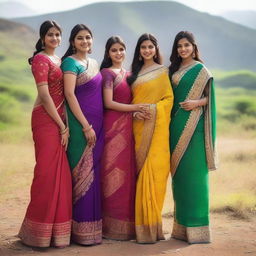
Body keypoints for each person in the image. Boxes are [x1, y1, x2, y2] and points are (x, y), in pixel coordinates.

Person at [18, 20, 72, 248]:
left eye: (58, 34)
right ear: (42, 38)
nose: (55, 38)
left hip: (60, 119)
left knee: (61, 176)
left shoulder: (59, 60)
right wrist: (62, 126)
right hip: (46, 119)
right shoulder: (40, 59)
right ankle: (37, 233)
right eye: (50, 34)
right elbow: (46, 95)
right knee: (47, 174)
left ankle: (56, 233)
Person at [169, 31, 217, 244]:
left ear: (193, 46)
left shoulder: (201, 70)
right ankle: (181, 229)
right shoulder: (174, 69)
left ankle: (199, 228)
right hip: (175, 127)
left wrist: (196, 103)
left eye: (186, 45)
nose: (183, 49)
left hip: (195, 128)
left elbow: (211, 99)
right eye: (179, 46)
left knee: (195, 176)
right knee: (180, 178)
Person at [100, 36, 148, 240]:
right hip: (112, 128)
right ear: (108, 53)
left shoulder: (129, 74)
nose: (118, 53)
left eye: (121, 49)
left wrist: (136, 112)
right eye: (114, 50)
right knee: (111, 172)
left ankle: (125, 225)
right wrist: (135, 108)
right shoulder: (107, 73)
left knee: (127, 174)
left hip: (128, 129)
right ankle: (108, 225)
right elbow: (108, 102)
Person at [127, 33, 174, 243]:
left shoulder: (164, 72)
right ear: (138, 50)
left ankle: (154, 228)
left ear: (156, 49)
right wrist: (135, 113)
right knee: (139, 177)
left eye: (150, 47)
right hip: (137, 129)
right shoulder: (133, 75)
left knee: (155, 176)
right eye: (143, 47)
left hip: (157, 130)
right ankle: (141, 229)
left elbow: (169, 99)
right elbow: (129, 103)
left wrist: (154, 110)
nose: (147, 50)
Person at [61, 24, 104, 245]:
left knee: (94, 176)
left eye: (88, 37)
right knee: (80, 174)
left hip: (99, 126)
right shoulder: (70, 62)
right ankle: (78, 231)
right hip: (81, 127)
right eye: (80, 38)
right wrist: (85, 126)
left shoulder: (94, 63)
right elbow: (69, 94)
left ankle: (93, 229)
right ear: (72, 41)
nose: (85, 41)